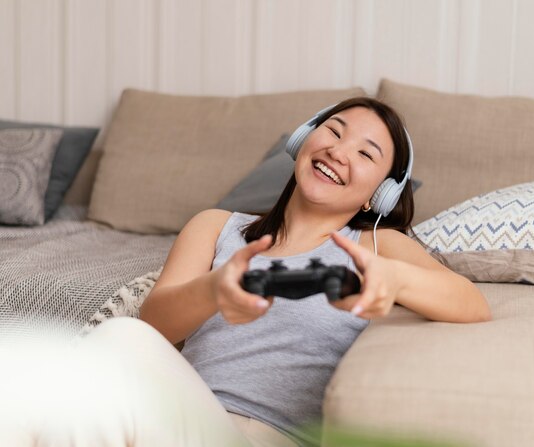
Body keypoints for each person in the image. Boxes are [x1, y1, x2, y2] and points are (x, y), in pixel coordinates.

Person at [136, 97, 492, 447]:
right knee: (118, 339)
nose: (338, 153)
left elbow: (472, 304)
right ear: (302, 140)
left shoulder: (376, 247)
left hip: (260, 433)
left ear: (380, 195)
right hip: (171, 411)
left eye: (365, 154)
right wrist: (213, 290)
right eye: (334, 132)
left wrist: (396, 279)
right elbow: (151, 328)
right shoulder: (215, 226)